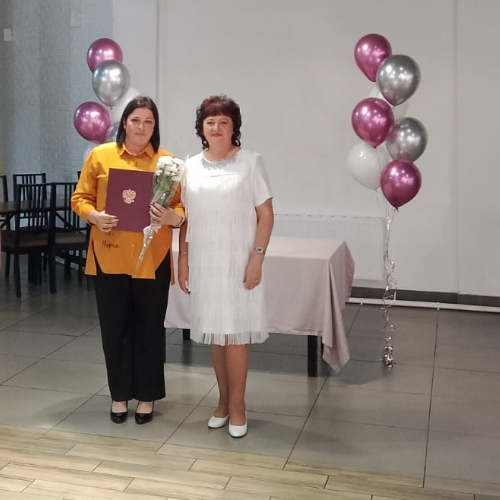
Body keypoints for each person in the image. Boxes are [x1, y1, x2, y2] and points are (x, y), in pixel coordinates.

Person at [72, 96, 185, 425]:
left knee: (149, 329)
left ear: (155, 126)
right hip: (110, 256)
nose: (142, 127)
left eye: (149, 122)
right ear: (124, 123)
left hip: (151, 258)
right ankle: (119, 395)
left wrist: (172, 217)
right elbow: (80, 198)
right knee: (114, 328)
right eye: (136, 120)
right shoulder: (100, 156)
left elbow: (180, 208)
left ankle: (147, 396)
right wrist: (94, 216)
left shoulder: (167, 163)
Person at [177, 95, 274, 437]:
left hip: (238, 261)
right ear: (201, 128)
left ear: (234, 127)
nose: (216, 128)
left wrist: (257, 256)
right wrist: (183, 259)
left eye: (223, 122)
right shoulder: (190, 166)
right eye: (210, 122)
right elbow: (186, 218)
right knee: (215, 334)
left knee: (234, 335)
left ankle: (238, 405)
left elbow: (266, 215)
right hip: (205, 261)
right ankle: (222, 401)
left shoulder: (250, 162)